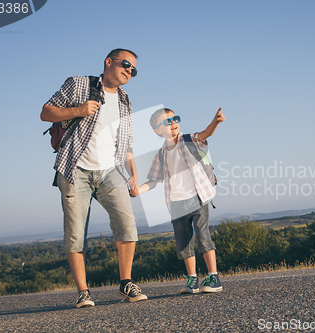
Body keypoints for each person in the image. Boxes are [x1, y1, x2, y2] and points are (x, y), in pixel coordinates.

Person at [40, 48, 147, 308]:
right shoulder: (79, 84)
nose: (129, 71)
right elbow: (45, 112)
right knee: (75, 233)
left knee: (127, 225)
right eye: (125, 64)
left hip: (111, 171)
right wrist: (78, 110)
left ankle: (126, 283)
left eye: (133, 69)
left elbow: (127, 144)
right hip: (75, 169)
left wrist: (134, 176)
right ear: (108, 62)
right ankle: (83, 292)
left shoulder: (124, 99)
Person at [137, 107, 225, 294]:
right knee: (183, 242)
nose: (174, 122)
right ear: (158, 131)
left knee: (203, 236)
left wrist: (215, 122)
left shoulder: (188, 140)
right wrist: (139, 190)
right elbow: (153, 180)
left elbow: (205, 134)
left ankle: (213, 276)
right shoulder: (161, 154)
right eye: (167, 121)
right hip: (176, 203)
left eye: (175, 118)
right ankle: (192, 279)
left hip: (198, 196)